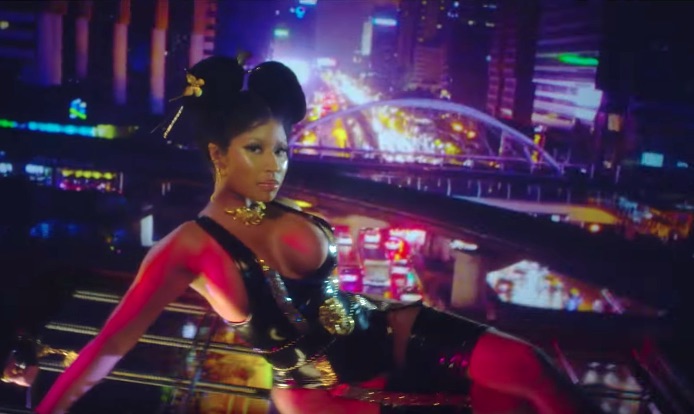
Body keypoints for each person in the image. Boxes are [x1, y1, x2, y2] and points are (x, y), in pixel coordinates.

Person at [35, 56, 600, 414]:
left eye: (282, 149)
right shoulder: (187, 245)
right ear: (218, 155)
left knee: (532, 370)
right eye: (255, 149)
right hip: (324, 389)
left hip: (389, 326)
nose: (274, 164)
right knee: (502, 403)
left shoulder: (279, 210)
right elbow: (109, 346)